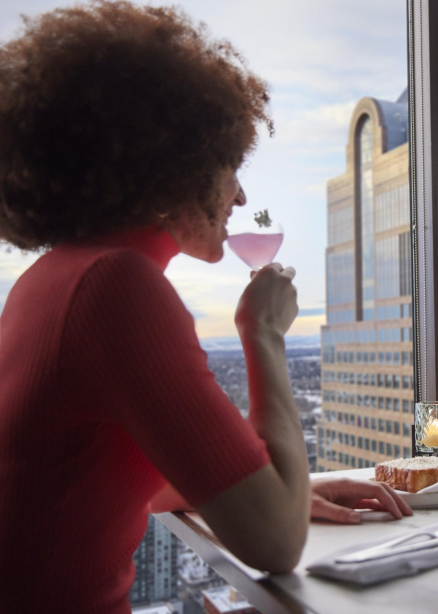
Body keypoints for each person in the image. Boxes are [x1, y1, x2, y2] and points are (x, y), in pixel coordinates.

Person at [0, 3, 410, 612]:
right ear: (169, 166)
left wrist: (284, 490)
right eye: (229, 166)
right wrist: (263, 331)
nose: (240, 196)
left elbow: (107, 480)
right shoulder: (118, 286)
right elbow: (275, 543)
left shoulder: (50, 279)